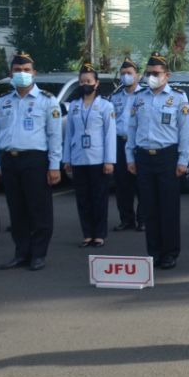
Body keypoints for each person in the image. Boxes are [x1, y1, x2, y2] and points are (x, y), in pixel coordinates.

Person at [0, 52, 63, 271]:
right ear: (11, 73)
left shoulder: (47, 101)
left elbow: (54, 136)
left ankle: (38, 254)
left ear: (34, 73)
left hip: (35, 160)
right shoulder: (3, 102)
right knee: (16, 210)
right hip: (9, 160)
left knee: (39, 210)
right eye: (18, 70)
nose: (22, 74)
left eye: (26, 70)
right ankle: (21, 252)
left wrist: (54, 165)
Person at [126, 54, 189, 270]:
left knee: (168, 208)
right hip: (144, 156)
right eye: (149, 73)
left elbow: (184, 132)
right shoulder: (140, 97)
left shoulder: (178, 98)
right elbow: (132, 129)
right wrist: (130, 157)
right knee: (149, 208)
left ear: (167, 75)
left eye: (156, 73)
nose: (152, 77)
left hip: (167, 156)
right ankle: (153, 252)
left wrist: (183, 160)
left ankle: (170, 253)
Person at [63, 63, 116, 249]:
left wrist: (109, 160)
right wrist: (66, 158)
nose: (85, 84)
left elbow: (110, 135)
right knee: (83, 198)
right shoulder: (74, 107)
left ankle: (100, 234)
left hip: (98, 158)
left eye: (89, 81)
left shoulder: (105, 106)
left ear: (96, 83)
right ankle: (87, 234)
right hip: (78, 157)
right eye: (82, 81)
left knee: (99, 198)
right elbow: (69, 134)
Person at [110, 59, 145, 232]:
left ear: (137, 75)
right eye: (123, 73)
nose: (126, 76)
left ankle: (143, 220)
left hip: (138, 144)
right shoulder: (115, 97)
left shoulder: (145, 95)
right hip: (120, 143)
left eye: (129, 73)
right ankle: (126, 219)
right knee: (122, 185)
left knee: (142, 184)